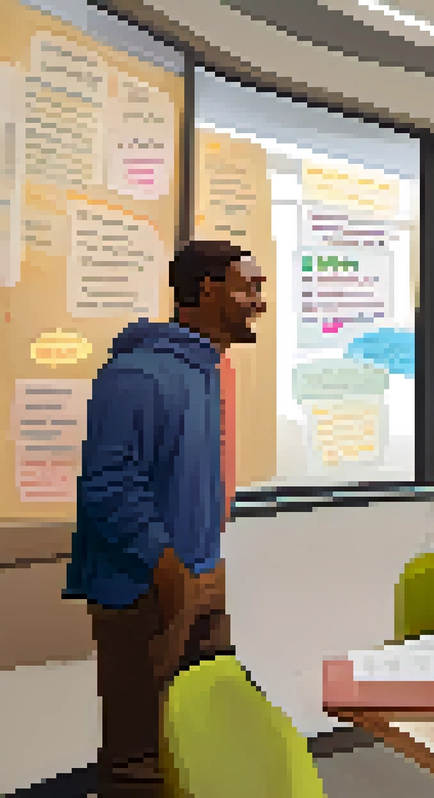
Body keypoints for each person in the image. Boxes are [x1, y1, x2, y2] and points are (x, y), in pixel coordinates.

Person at [66, 240, 266, 797]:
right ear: (206, 289)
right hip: (144, 589)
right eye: (248, 288)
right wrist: (168, 567)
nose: (259, 302)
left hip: (200, 577)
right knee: (141, 762)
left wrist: (205, 573)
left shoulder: (206, 370)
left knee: (204, 740)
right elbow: (108, 487)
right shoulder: (136, 374)